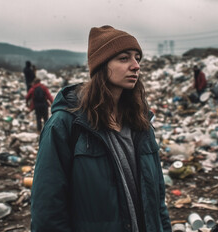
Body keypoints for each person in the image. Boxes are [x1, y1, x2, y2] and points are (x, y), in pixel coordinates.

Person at [31, 25, 171, 232]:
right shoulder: (66, 126)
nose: (135, 66)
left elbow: (158, 202)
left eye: (137, 58)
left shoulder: (141, 125)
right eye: (124, 58)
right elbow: (47, 212)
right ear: (101, 66)